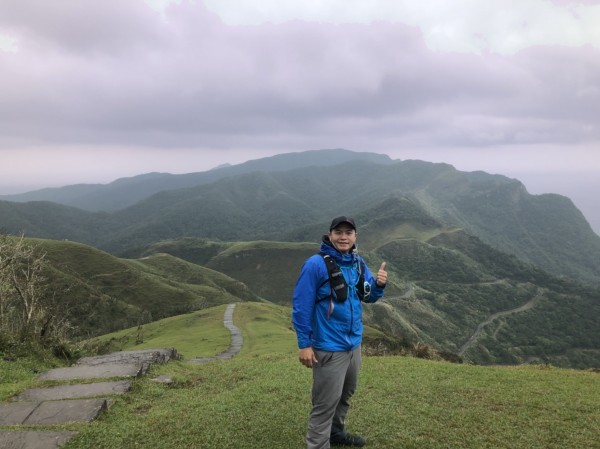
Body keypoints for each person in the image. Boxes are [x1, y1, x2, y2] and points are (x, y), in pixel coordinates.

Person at [292, 216, 387, 448]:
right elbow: (301, 305)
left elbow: (368, 296)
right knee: (325, 404)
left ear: (355, 236)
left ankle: (335, 434)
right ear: (330, 234)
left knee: (345, 396)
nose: (343, 237)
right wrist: (304, 344)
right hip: (328, 347)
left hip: (353, 346)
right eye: (339, 232)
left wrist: (380, 286)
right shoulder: (315, 264)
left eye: (348, 232)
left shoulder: (357, 263)